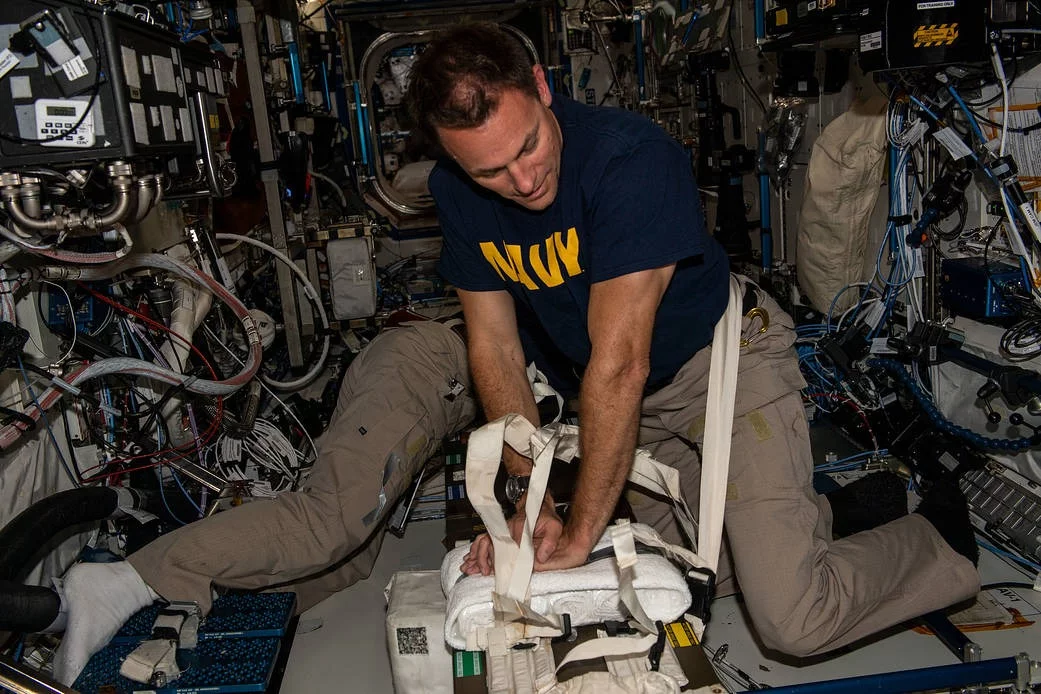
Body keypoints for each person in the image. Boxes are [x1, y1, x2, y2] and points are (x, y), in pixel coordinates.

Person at [406, 22, 980, 657]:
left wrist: (578, 534)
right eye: (490, 170)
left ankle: (940, 538)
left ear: (541, 86)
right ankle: (830, 515)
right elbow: (495, 348)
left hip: (722, 367)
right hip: (629, 406)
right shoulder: (454, 193)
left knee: (793, 619)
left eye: (529, 146)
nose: (522, 180)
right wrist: (528, 499)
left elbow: (620, 363)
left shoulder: (628, 159)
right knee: (696, 581)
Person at [50, 318, 476, 685]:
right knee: (331, 521)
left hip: (437, 384)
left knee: (351, 561)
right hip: (430, 369)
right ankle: (129, 582)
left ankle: (205, 603)